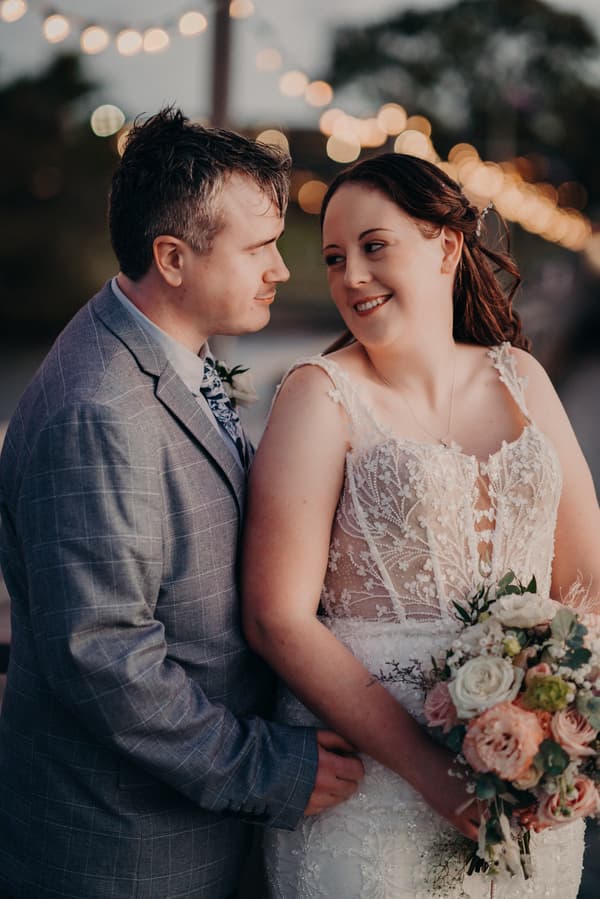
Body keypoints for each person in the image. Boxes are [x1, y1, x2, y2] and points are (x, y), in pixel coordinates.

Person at [0, 107, 364, 899]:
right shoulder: (98, 409)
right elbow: (104, 660)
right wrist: (270, 768)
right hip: (125, 856)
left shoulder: (162, 352)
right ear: (172, 256)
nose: (281, 268)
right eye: (259, 248)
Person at [242, 152, 600, 898]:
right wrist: (432, 772)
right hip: (371, 791)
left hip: (522, 780)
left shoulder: (521, 378)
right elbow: (276, 616)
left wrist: (566, 723)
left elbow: (586, 579)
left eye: (375, 247)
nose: (351, 278)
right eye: (335, 258)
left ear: (445, 245)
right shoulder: (319, 394)